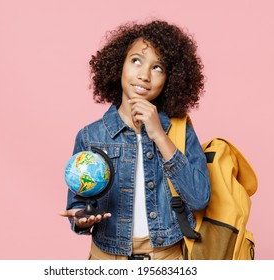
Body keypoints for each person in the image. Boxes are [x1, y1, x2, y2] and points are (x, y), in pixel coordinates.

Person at [59, 19, 211, 260]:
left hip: (166, 258)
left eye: (157, 67)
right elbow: (78, 203)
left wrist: (159, 134)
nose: (144, 75)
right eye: (136, 61)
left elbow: (199, 198)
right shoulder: (90, 136)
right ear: (119, 65)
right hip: (107, 258)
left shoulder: (180, 131)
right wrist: (82, 219)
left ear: (170, 80)